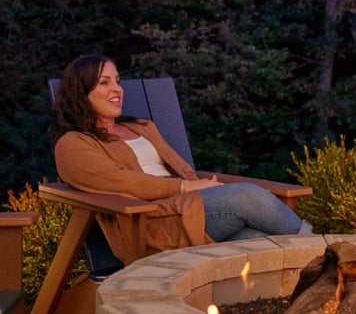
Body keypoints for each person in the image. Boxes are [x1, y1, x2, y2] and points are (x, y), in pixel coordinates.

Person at [49, 55, 312, 263]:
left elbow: (181, 166)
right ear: (80, 92)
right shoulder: (73, 143)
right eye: (104, 83)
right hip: (149, 222)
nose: (117, 89)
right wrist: (186, 187)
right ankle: (322, 249)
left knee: (260, 241)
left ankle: (317, 267)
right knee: (248, 196)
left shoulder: (142, 126)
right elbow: (120, 182)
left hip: (188, 207)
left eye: (117, 81)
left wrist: (202, 186)